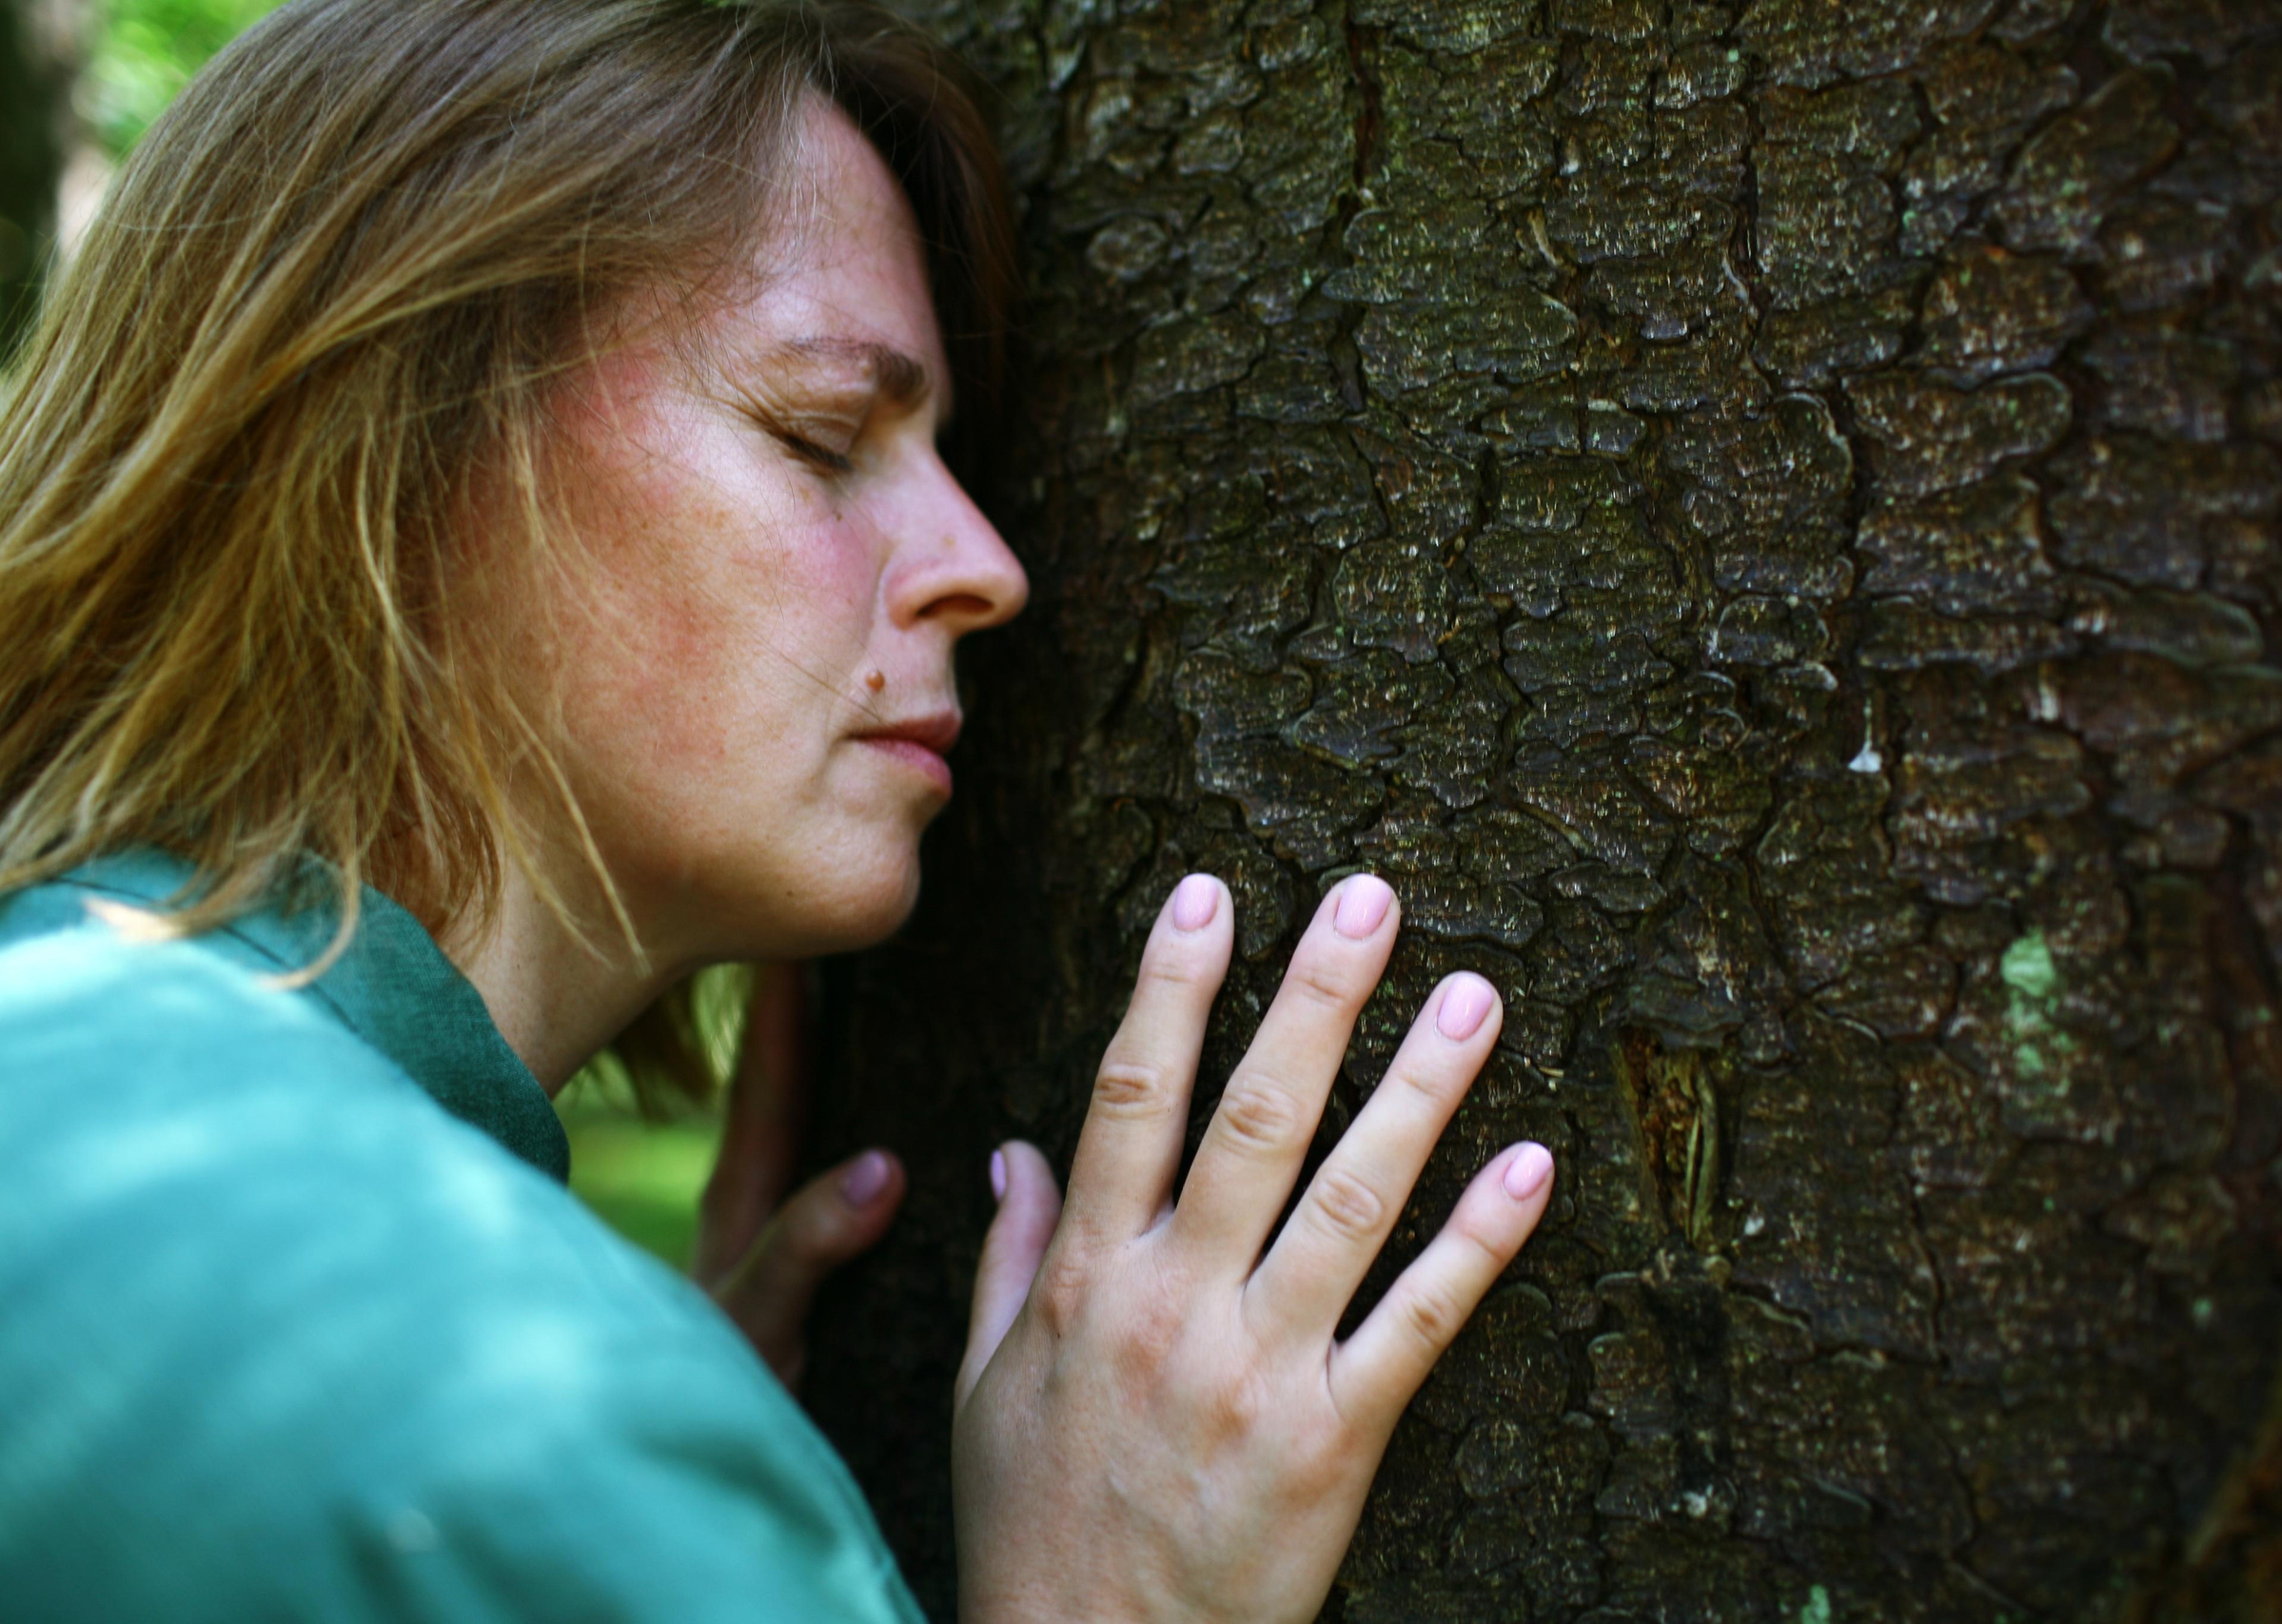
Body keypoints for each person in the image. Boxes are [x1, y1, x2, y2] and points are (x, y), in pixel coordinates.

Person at [0, 0, 1555, 1617]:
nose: (988, 568)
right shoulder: (503, 1419)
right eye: (824, 435)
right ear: (400, 452)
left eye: (945, 453)